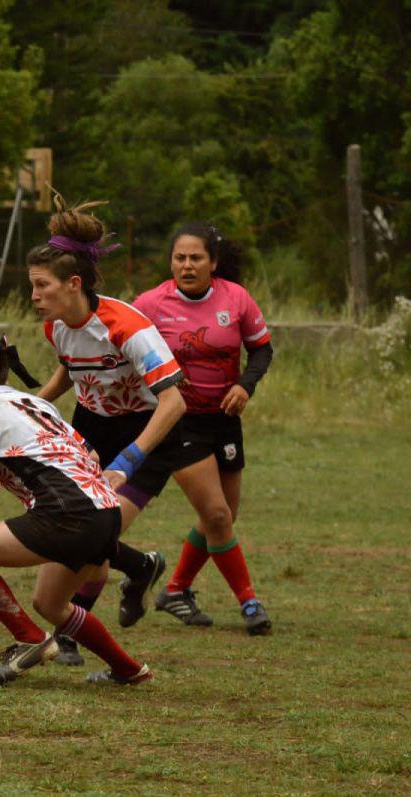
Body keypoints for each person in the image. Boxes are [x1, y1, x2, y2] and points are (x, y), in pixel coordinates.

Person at [0, 330, 153, 686]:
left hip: (66, 514)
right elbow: (92, 455)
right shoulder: (34, 403)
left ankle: (31, 639)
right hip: (106, 510)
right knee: (50, 603)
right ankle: (130, 670)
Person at [28, 197, 183, 665]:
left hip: (148, 432)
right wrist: (33, 404)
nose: (33, 296)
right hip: (91, 426)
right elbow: (68, 372)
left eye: (41, 286)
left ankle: (73, 629)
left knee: (91, 532)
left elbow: (175, 400)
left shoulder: (128, 327)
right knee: (81, 531)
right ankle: (138, 567)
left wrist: (129, 460)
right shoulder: (55, 326)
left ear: (73, 284)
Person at [134, 223, 273, 634]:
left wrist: (245, 385)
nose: (187, 265)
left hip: (225, 420)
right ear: (170, 262)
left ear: (213, 262)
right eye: (180, 258)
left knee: (224, 515)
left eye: (196, 258)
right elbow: (121, 348)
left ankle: (176, 590)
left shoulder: (236, 298)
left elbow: (262, 349)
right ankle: (250, 603)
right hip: (178, 421)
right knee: (215, 514)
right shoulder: (149, 304)